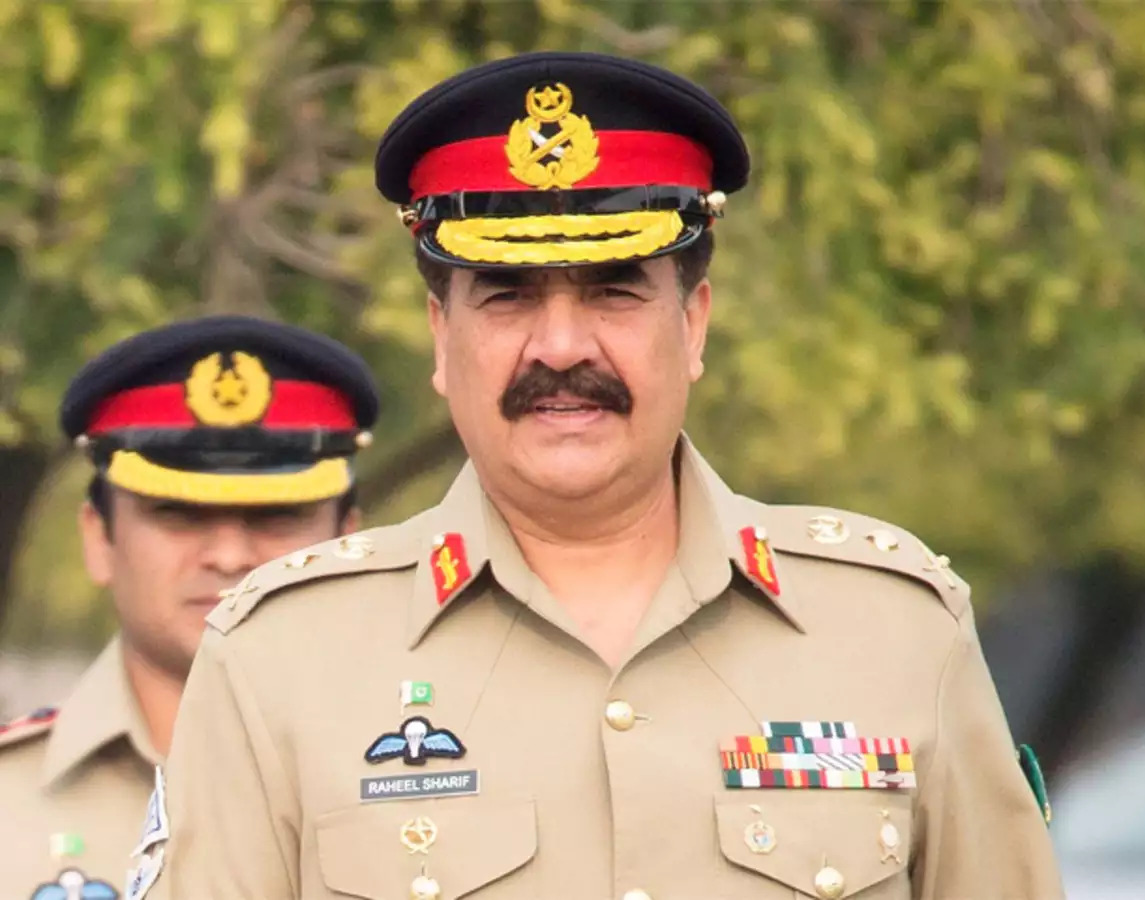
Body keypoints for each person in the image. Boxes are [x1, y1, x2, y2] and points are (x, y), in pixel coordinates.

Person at [131, 53, 1063, 900]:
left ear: (692, 324)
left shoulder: (894, 629)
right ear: (441, 337)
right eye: (508, 297)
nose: (562, 347)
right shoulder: (280, 660)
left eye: (615, 290)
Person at [0, 316, 378, 899]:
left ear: (349, 541)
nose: (229, 557)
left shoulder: (452, 774)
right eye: (178, 514)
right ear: (99, 539)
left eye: (277, 516)